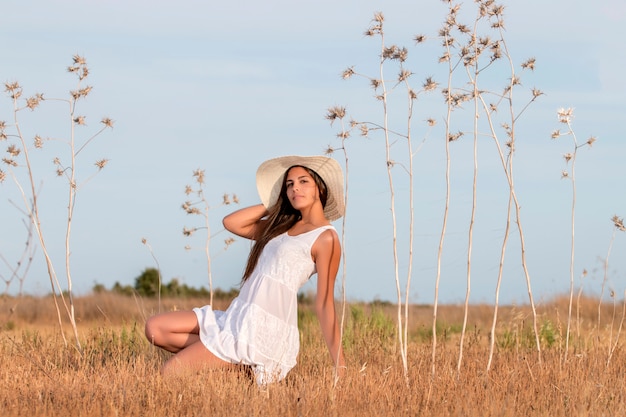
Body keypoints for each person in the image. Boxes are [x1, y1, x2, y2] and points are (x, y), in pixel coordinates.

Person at [144, 155, 346, 384]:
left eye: (303, 182)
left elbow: (325, 303)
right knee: (155, 328)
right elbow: (232, 223)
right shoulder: (281, 227)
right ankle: (239, 367)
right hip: (238, 317)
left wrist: (340, 365)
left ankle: (239, 359)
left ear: (319, 188)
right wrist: (275, 203)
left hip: (261, 329)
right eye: (289, 185)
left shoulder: (326, 237)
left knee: (168, 373)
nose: (295, 188)